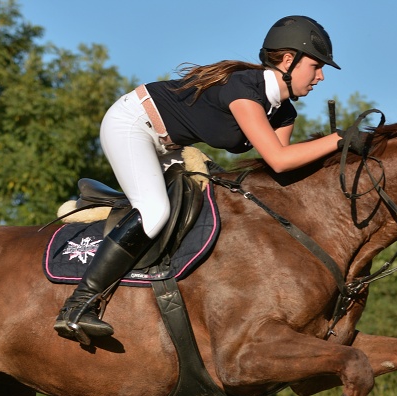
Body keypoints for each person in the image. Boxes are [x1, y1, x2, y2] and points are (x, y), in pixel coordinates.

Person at [55, 15, 350, 344]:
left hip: (169, 145)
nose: (321, 76)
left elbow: (281, 170)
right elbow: (279, 159)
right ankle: (78, 306)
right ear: (287, 60)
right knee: (154, 211)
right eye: (316, 65)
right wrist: (341, 139)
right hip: (133, 123)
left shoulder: (283, 112)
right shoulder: (245, 87)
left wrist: (339, 154)